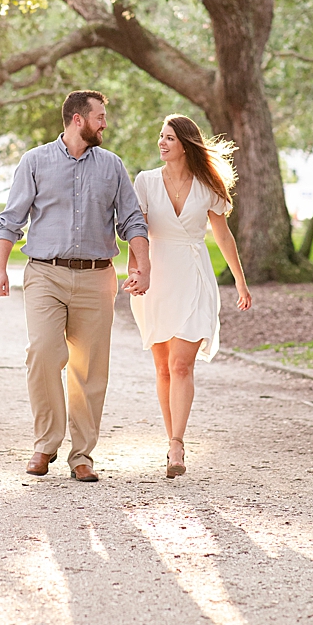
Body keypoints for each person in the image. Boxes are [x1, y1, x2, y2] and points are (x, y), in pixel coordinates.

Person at [0, 90, 150, 482]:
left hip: (97, 276)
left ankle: (82, 455)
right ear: (77, 119)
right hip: (45, 272)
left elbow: (132, 221)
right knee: (43, 352)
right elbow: (11, 218)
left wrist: (142, 266)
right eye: (100, 116)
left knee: (89, 368)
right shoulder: (35, 161)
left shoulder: (112, 165)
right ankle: (45, 443)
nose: (105, 123)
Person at [129, 113, 252, 478]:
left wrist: (241, 283)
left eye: (168, 137)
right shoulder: (146, 182)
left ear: (185, 143)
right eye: (160, 136)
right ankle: (171, 440)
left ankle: (177, 444)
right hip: (156, 277)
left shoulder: (208, 185)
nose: (161, 142)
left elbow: (223, 236)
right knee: (163, 366)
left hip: (194, 276)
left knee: (182, 364)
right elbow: (137, 232)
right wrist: (136, 271)